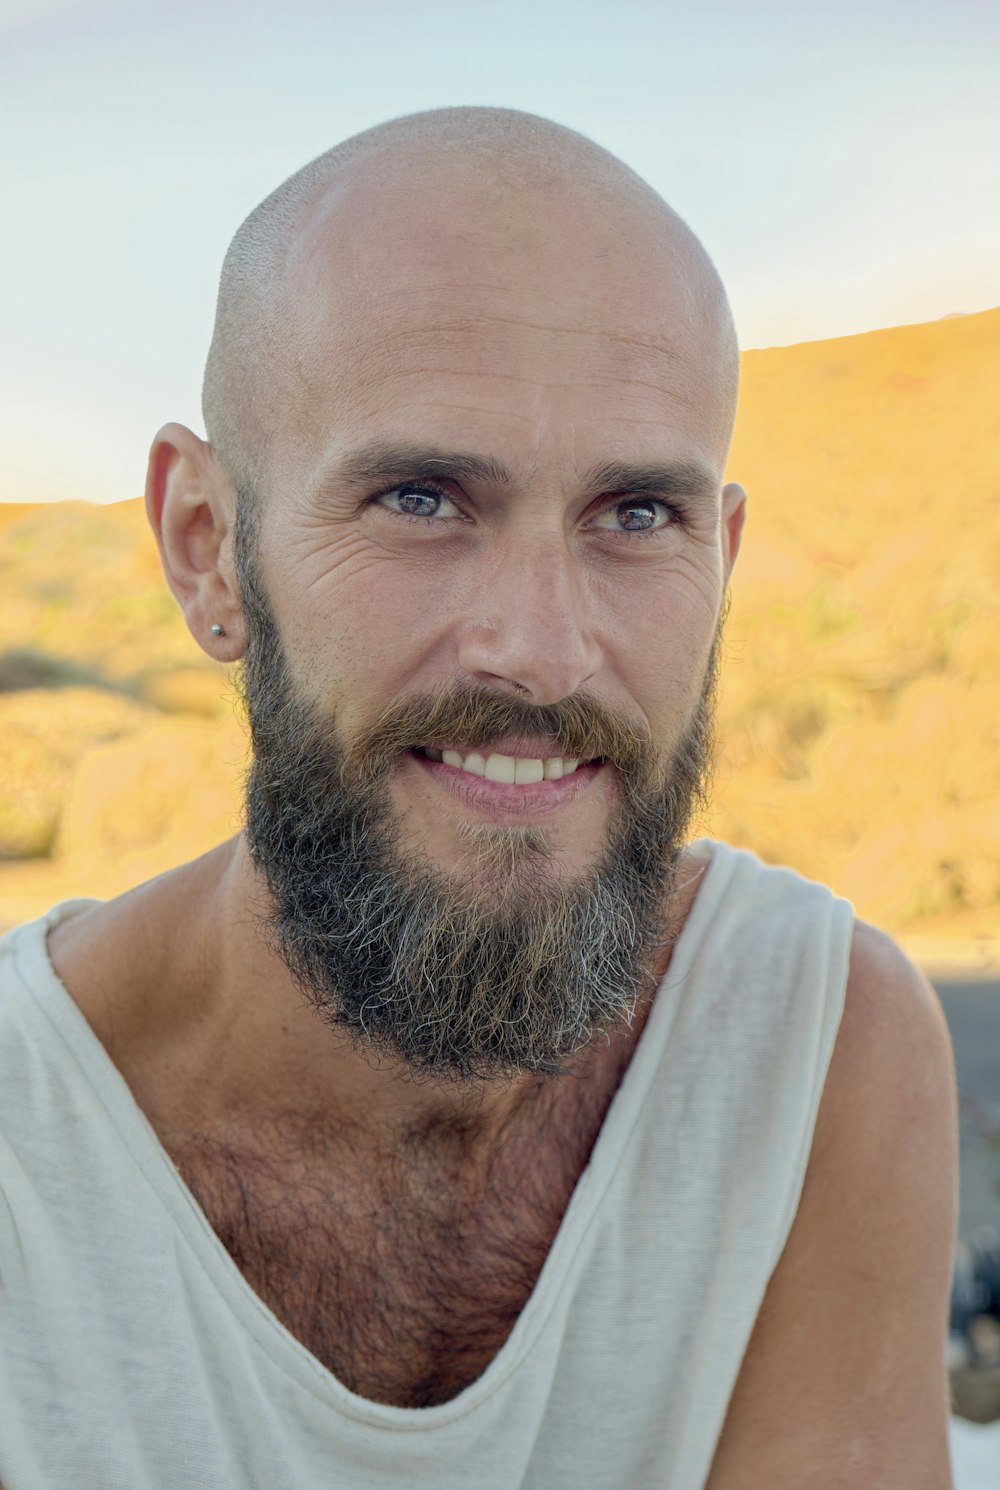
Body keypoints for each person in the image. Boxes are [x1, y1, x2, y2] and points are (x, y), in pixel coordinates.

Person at [0, 107, 957, 1488]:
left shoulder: (814, 1047)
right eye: (421, 496)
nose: (545, 646)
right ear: (207, 549)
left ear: (722, 560)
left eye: (636, 514)